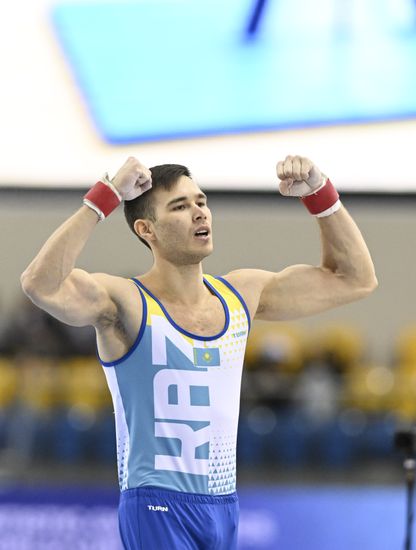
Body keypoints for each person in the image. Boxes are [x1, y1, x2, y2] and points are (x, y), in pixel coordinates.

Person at [21, 154, 377, 549]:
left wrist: (319, 192)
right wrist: (106, 195)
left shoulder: (240, 294)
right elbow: (41, 285)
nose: (199, 213)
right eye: (179, 206)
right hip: (156, 502)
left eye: (201, 202)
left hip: (223, 504)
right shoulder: (125, 301)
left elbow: (354, 279)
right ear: (146, 229)